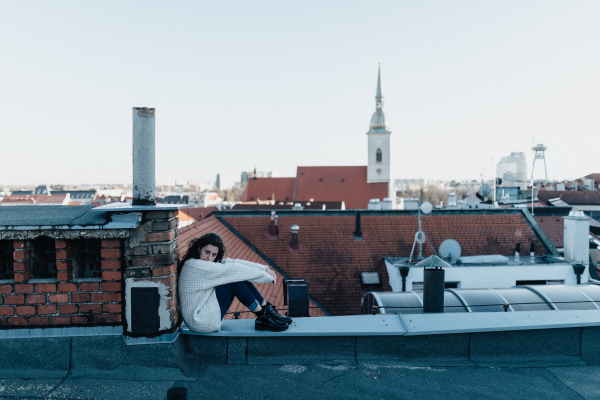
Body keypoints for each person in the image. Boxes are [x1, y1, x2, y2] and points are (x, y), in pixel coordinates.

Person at [179, 232, 292, 333]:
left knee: (236, 276)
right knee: (234, 279)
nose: (209, 258)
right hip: (201, 321)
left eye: (214, 255)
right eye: (207, 252)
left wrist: (264, 269)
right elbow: (233, 269)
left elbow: (230, 262)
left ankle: (267, 311)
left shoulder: (196, 262)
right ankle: (262, 316)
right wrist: (267, 277)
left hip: (203, 313)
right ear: (199, 248)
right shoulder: (196, 266)